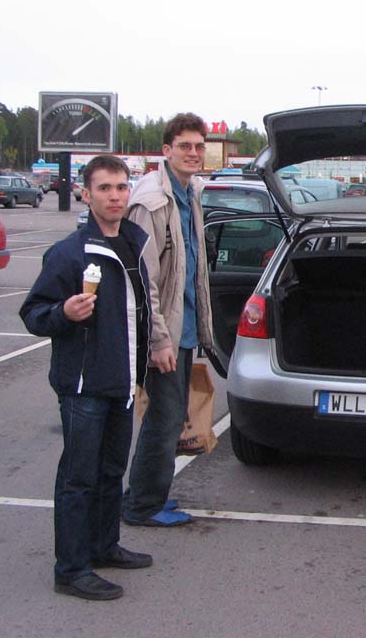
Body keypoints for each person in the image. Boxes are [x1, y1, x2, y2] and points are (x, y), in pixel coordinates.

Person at [20, 155, 153, 600]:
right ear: (86, 194)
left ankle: (103, 545)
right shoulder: (69, 253)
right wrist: (63, 312)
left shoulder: (133, 243)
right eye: (104, 188)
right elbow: (33, 313)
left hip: (123, 381)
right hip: (84, 387)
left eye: (121, 187)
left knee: (112, 471)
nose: (115, 196)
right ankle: (72, 569)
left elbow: (138, 314)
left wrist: (144, 367)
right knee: (78, 479)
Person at [123, 113, 214, 527]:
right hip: (164, 334)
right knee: (164, 419)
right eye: (185, 146)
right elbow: (144, 280)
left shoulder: (188, 192)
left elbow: (190, 269)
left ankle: (144, 495)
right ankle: (142, 506)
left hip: (183, 328)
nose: (193, 153)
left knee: (169, 417)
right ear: (166, 150)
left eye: (198, 146)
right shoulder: (152, 202)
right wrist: (159, 340)